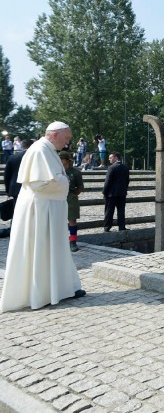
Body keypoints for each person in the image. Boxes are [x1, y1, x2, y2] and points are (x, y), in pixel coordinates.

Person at [0, 121, 85, 312]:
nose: (68, 142)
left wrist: (62, 181)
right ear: (54, 135)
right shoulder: (40, 150)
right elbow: (41, 184)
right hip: (40, 211)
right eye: (66, 137)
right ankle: (43, 292)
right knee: (42, 250)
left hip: (49, 210)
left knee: (54, 249)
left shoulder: (47, 150)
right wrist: (64, 182)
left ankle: (62, 288)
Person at [0, 139, 33, 238]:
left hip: (15, 189)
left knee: (16, 211)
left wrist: (8, 190)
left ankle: (14, 230)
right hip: (30, 188)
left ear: (22, 146)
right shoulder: (34, 158)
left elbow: (7, 175)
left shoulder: (13, 157)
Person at [59, 151, 84, 251]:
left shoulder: (75, 172)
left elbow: (80, 188)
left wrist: (73, 195)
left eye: (61, 158)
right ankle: (59, 241)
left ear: (66, 160)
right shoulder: (56, 171)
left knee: (72, 220)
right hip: (58, 198)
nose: (59, 161)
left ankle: (73, 242)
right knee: (56, 220)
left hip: (71, 198)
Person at [102, 152, 130, 232]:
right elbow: (127, 180)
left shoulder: (111, 168)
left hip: (111, 194)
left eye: (110, 158)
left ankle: (107, 227)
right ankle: (121, 227)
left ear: (116, 158)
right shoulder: (125, 167)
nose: (109, 159)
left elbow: (108, 181)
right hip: (122, 193)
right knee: (121, 211)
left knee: (109, 211)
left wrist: (104, 192)